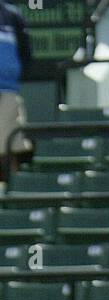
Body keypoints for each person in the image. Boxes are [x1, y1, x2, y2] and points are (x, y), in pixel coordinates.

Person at [0, 0, 30, 182]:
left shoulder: (13, 15)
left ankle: (14, 198)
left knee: (9, 152)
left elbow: (25, 55)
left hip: (7, 94)